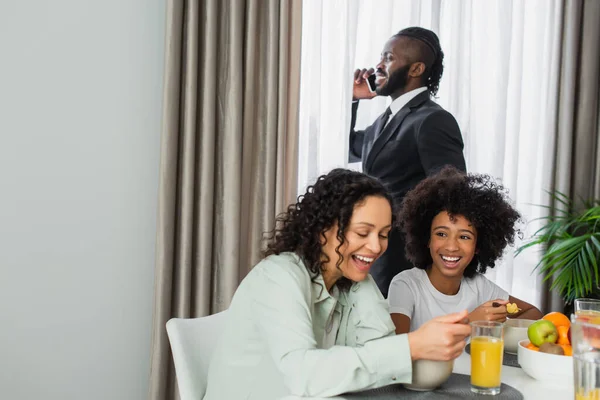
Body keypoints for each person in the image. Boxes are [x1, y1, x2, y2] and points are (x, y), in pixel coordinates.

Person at [203, 169, 471, 400]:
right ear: (323, 229)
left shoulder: (353, 280)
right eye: (363, 233)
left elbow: (383, 353)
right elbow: (303, 373)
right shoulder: (278, 275)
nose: (376, 247)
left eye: (384, 235)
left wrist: (430, 345)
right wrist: (412, 345)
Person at [349, 26, 466, 297]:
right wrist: (353, 100)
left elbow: (451, 192)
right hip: (375, 251)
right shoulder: (384, 121)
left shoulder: (433, 120)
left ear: (415, 69)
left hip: (403, 258)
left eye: (388, 58)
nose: (378, 65)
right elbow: (348, 147)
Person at [388, 166, 543, 335]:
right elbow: (399, 346)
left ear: (478, 246)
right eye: (441, 234)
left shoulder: (479, 287)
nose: (452, 246)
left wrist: (499, 329)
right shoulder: (406, 285)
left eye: (464, 237)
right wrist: (469, 322)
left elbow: (533, 313)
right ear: (427, 239)